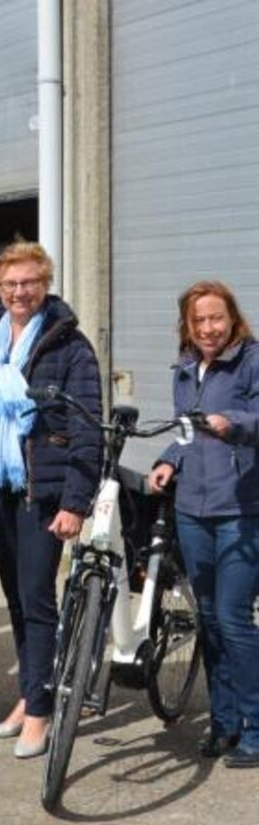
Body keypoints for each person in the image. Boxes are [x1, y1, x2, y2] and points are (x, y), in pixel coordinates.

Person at [0, 241, 102, 759]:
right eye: (11, 284)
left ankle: (40, 713)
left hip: (44, 490)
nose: (20, 292)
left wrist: (76, 502)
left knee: (38, 597)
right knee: (17, 597)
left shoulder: (70, 346)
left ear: (45, 284)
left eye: (30, 282)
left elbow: (87, 428)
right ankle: (30, 693)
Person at [147, 281, 259, 768]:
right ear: (188, 326)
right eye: (199, 321)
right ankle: (224, 721)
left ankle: (256, 724)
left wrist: (232, 423)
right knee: (209, 620)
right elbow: (186, 431)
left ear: (232, 318)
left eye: (217, 318)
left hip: (242, 507)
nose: (209, 328)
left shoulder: (252, 360)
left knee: (234, 619)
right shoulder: (185, 370)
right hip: (193, 507)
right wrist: (169, 459)